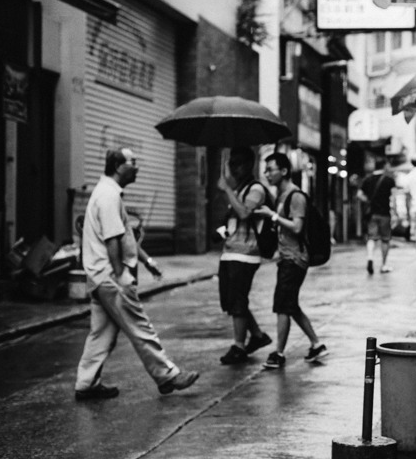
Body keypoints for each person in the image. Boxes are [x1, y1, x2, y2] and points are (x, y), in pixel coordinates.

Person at [74, 148, 199, 400]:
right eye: (133, 162)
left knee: (102, 334)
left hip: (100, 277)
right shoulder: (108, 196)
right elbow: (112, 241)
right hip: (111, 277)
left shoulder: (108, 194)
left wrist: (147, 261)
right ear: (119, 167)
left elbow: (125, 237)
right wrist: (121, 276)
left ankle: (86, 383)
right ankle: (167, 375)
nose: (137, 167)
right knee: (140, 326)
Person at [253, 153, 327, 368]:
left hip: (295, 259)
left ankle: (279, 353)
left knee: (282, 306)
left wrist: (272, 216)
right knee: (291, 305)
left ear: (284, 171)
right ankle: (316, 344)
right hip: (287, 258)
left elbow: (297, 227)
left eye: (270, 170)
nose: (267, 174)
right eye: (265, 170)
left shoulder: (296, 196)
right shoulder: (282, 196)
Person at [217, 147, 273, 365]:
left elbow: (244, 213)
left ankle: (239, 346)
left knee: (238, 300)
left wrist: (227, 190)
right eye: (232, 164)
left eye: (239, 164)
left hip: (246, 254)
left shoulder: (256, 189)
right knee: (231, 300)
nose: (235, 169)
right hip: (230, 252)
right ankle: (257, 336)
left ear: (249, 165)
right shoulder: (239, 188)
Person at [357, 157, 396, 275]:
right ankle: (383, 265)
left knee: (371, 238)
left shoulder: (367, 179)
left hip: (372, 213)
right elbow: (393, 198)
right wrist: (395, 212)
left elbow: (359, 195)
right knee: (385, 240)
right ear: (384, 166)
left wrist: (368, 201)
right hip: (385, 213)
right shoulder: (389, 180)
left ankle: (370, 258)